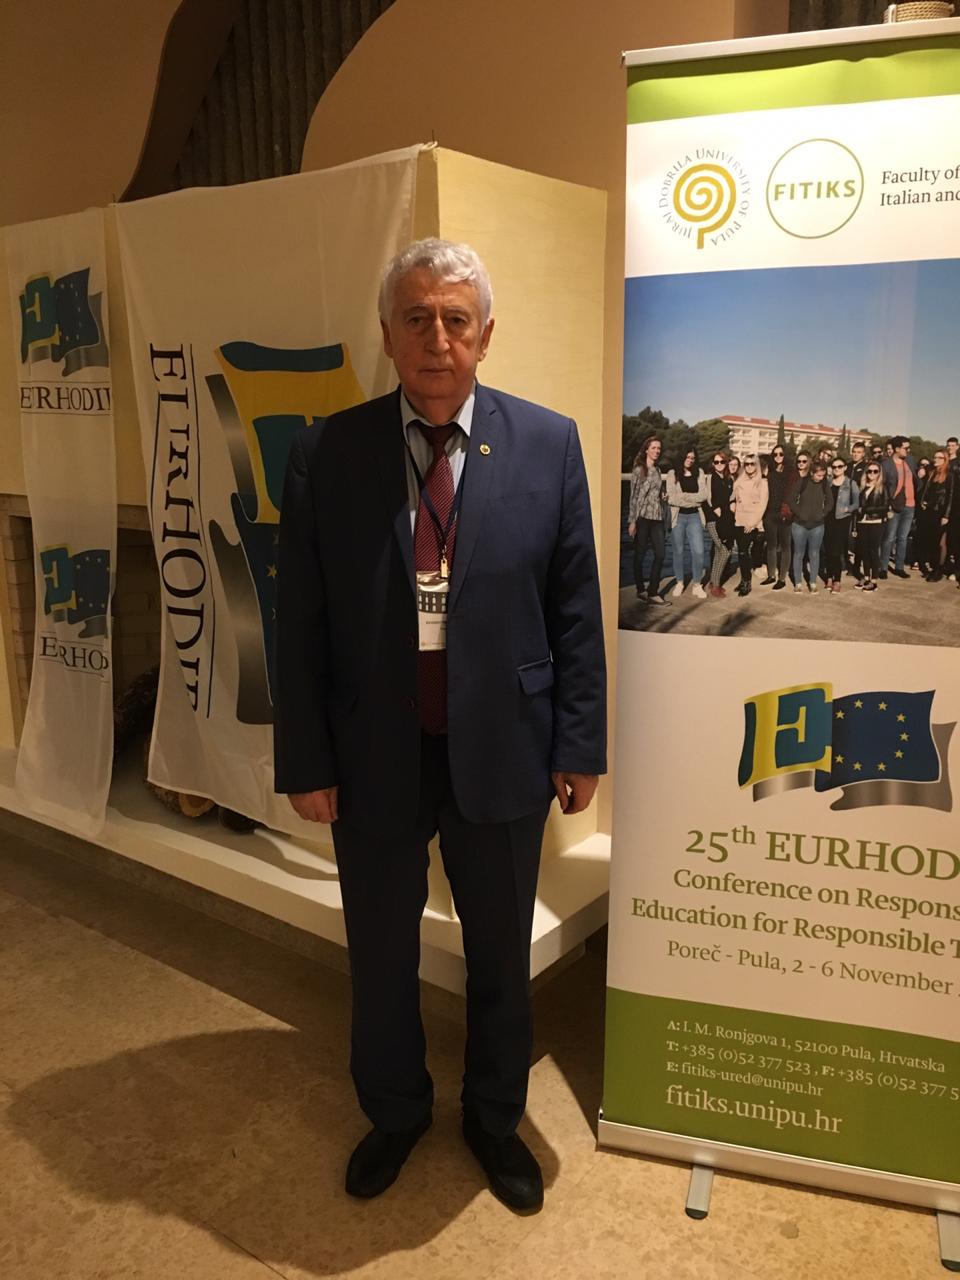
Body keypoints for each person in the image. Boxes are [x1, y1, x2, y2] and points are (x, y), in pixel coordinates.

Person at [273, 238, 606, 1212]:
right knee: (381, 951)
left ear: (485, 335)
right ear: (387, 333)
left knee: (500, 952)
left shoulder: (547, 443)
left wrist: (579, 743)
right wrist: (305, 758)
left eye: (456, 319)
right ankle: (395, 1111)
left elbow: (574, 608)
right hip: (372, 749)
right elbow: (301, 621)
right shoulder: (327, 452)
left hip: (504, 745)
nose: (436, 338)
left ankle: (495, 1119)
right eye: (415, 318)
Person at [627, 435, 669, 605]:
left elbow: (657, 491)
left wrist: (663, 495)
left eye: (659, 448)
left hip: (657, 517)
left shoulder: (658, 470)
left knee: (661, 554)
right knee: (640, 555)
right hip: (642, 517)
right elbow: (633, 497)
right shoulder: (639, 470)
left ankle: (653, 592)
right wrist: (632, 521)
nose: (657, 451)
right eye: (653, 448)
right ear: (646, 450)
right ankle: (640, 589)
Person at [666, 447, 709, 599]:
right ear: (682, 457)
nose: (690, 460)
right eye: (688, 457)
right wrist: (692, 499)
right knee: (678, 551)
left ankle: (697, 585)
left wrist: (684, 497)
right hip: (678, 517)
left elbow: (703, 496)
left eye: (692, 458)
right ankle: (680, 582)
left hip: (695, 517)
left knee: (699, 551)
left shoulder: (700, 473)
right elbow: (671, 498)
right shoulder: (672, 474)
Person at [788, 453, 829, 592]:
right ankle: (798, 583)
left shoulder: (824, 484)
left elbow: (830, 502)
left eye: (823, 475)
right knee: (798, 554)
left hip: (817, 526)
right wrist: (799, 513)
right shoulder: (803, 482)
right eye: (818, 475)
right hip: (799, 525)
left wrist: (823, 513)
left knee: (814, 554)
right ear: (812, 473)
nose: (821, 478)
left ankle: (813, 582)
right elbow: (791, 499)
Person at [880, 435, 918, 579]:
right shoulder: (886, 464)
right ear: (897, 449)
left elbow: (916, 479)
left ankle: (899, 567)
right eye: (905, 448)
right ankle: (883, 568)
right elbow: (883, 486)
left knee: (903, 538)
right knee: (889, 537)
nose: (908, 450)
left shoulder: (910, 460)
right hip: (894, 505)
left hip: (910, 505)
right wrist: (887, 505)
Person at [732, 454, 767, 596]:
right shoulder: (740, 481)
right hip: (739, 520)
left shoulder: (762, 482)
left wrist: (752, 523)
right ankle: (743, 579)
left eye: (752, 464)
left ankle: (747, 581)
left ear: (757, 465)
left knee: (744, 551)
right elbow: (735, 499)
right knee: (741, 551)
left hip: (753, 523)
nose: (749, 466)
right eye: (746, 464)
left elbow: (762, 505)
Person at [916, 450, 954, 581]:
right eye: (935, 457)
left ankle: (938, 570)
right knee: (930, 541)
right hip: (930, 511)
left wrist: (946, 515)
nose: (936, 459)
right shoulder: (932, 473)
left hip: (941, 512)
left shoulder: (949, 475)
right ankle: (931, 567)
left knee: (940, 543)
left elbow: (950, 496)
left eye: (939, 458)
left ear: (945, 460)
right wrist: (923, 502)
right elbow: (927, 490)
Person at [823, 457, 859, 593]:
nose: (836, 469)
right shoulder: (828, 482)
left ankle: (837, 580)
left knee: (836, 551)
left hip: (842, 519)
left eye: (839, 466)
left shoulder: (851, 483)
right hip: (828, 518)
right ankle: (829, 577)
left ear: (844, 468)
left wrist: (847, 509)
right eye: (834, 467)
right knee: (828, 549)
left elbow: (857, 503)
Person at [703, 450, 735, 598]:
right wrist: (716, 509)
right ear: (713, 463)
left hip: (726, 520)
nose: (719, 464)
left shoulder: (729, 479)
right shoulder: (711, 477)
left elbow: (732, 497)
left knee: (719, 551)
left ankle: (713, 581)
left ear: (726, 463)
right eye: (716, 462)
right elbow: (708, 498)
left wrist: (733, 505)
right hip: (713, 519)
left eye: (722, 461)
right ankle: (715, 585)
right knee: (724, 551)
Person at [856, 461, 889, 591]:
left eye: (875, 471)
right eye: (869, 471)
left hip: (876, 522)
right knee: (864, 551)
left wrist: (866, 510)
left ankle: (874, 580)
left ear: (879, 473)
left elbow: (885, 507)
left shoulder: (882, 488)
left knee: (873, 551)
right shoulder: (862, 487)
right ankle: (866, 577)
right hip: (862, 522)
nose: (872, 473)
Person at [762, 444, 791, 590]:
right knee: (771, 545)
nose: (778, 457)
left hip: (785, 513)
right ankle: (771, 575)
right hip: (770, 513)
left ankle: (782, 578)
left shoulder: (790, 472)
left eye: (781, 454)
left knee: (785, 546)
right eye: (775, 454)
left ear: (785, 455)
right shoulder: (770, 471)